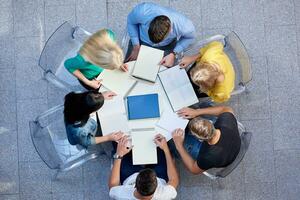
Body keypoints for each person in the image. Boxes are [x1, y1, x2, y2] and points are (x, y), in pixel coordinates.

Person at [171, 106, 241, 174]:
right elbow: (226, 109)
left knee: (173, 145)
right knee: (205, 105)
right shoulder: (227, 122)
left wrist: (179, 145)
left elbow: (194, 169)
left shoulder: (208, 156)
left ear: (200, 139)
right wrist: (196, 112)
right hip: (234, 143)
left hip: (222, 157)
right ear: (210, 123)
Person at [108, 134, 179, 200]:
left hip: (130, 176)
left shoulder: (122, 195)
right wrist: (165, 149)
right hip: (159, 175)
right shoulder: (165, 194)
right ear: (156, 187)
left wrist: (119, 155)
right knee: (161, 140)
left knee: (120, 142)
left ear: (135, 185)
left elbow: (113, 185)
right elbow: (173, 180)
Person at [126, 2, 196, 67]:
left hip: (166, 47)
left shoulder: (184, 26)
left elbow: (190, 38)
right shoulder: (142, 11)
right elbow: (131, 21)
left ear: (171, 29)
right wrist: (136, 47)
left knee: (164, 73)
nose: (153, 45)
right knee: (127, 66)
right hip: (140, 41)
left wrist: (174, 53)